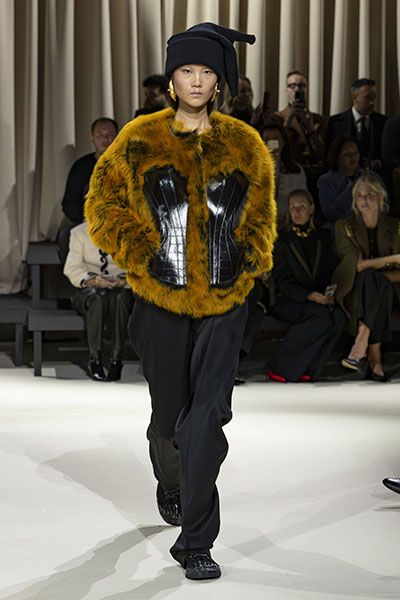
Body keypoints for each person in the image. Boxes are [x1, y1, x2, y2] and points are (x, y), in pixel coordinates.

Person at [84, 22, 276, 580]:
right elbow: (102, 204)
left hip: (224, 299)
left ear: (220, 82)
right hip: (160, 300)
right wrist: (141, 252)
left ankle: (196, 541)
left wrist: (249, 257)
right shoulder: (139, 138)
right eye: (186, 70)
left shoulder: (244, 143)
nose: (195, 80)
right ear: (172, 79)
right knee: (170, 418)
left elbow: (261, 214)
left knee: (207, 419)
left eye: (206, 71)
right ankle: (171, 478)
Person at [266, 190, 345, 382]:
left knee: (338, 316)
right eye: (292, 207)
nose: (296, 212)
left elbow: (330, 269)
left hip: (317, 298)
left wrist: (328, 294)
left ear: (312, 208)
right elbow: (283, 281)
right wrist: (308, 296)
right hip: (288, 300)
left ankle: (309, 368)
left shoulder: (323, 237)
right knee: (319, 315)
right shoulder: (281, 240)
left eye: (301, 206)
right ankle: (280, 367)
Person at [332, 173, 400, 380]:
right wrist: (393, 259)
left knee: (376, 283)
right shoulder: (344, 227)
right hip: (355, 291)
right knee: (370, 278)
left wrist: (379, 274)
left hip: (392, 290)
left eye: (370, 194)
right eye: (359, 195)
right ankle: (374, 356)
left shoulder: (396, 227)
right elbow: (357, 266)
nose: (364, 200)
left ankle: (362, 342)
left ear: (381, 197)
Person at [64, 222, 134, 381]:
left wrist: (123, 280)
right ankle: (94, 359)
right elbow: (72, 268)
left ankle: (116, 358)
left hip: (118, 287)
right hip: (89, 290)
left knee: (120, 297)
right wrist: (91, 280)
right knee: (96, 298)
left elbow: (137, 266)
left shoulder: (127, 232)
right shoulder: (79, 233)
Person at [57, 117, 119, 261]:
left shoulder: (128, 164)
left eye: (109, 135)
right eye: (100, 135)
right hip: (87, 220)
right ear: (92, 138)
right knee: (66, 234)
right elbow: (69, 203)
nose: (105, 140)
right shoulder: (81, 167)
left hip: (119, 221)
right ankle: (76, 274)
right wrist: (88, 220)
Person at [275, 70, 327, 200]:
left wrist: (310, 129)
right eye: (292, 86)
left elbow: (322, 154)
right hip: (291, 175)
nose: (297, 89)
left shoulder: (319, 119)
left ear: (307, 90)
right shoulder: (277, 119)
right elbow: (277, 148)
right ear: (286, 91)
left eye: (301, 86)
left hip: (316, 176)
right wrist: (288, 121)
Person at [326, 78, 387, 170]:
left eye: (374, 98)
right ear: (354, 98)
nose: (372, 102)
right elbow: (330, 155)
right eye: (368, 97)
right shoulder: (335, 122)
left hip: (375, 175)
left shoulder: (383, 122)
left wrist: (378, 163)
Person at [260, 117, 308, 229]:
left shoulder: (296, 170)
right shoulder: (252, 170)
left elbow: (304, 198)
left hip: (290, 224)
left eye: (276, 139)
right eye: (267, 140)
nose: (272, 143)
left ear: (283, 141)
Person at [317, 136, 364, 223]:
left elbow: (384, 206)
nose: (353, 157)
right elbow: (330, 213)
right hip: (340, 227)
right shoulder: (325, 181)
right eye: (347, 154)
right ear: (336, 157)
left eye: (355, 153)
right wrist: (355, 187)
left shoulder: (369, 177)